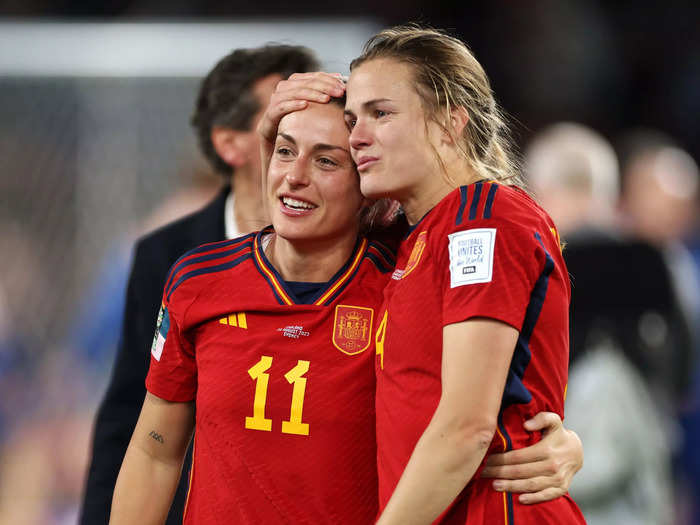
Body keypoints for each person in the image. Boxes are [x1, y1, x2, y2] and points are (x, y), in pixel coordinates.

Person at [111, 92, 582, 523]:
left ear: (369, 186)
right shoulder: (200, 280)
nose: (295, 176)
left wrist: (564, 443)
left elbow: (483, 402)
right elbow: (157, 451)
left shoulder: (408, 280)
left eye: (327, 162)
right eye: (285, 151)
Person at [274, 26, 585, 523]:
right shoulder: (412, 237)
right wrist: (276, 129)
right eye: (354, 118)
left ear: (451, 123)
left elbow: (467, 427)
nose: (357, 137)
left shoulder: (484, 220)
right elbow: (272, 253)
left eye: (382, 113)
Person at [79, 44, 320, 525]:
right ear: (231, 144)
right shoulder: (168, 259)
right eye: (280, 111)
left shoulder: (373, 252)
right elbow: (130, 415)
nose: (299, 121)